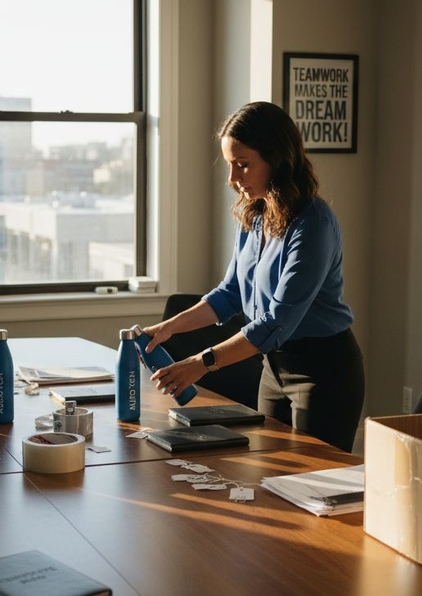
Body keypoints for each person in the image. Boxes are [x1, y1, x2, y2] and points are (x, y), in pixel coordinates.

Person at [142, 101, 365, 452]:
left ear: (277, 159)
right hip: (272, 370)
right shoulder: (255, 215)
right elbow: (230, 294)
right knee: (267, 473)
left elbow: (277, 320)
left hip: (323, 373)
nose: (233, 179)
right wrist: (169, 327)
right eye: (230, 165)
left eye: (243, 165)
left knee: (313, 483)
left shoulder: (313, 225)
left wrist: (201, 364)